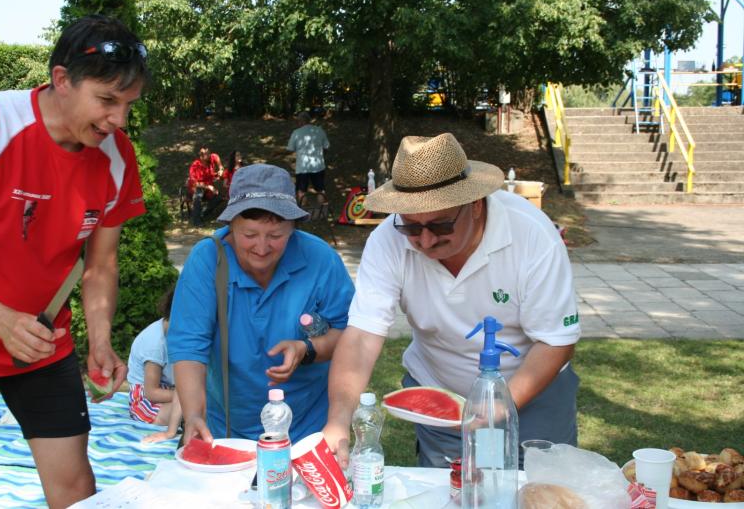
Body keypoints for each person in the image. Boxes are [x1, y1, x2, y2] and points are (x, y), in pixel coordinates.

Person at [0, 15, 148, 508]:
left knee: (77, 491)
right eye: (107, 100)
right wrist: (0, 321)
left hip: (41, 342)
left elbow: (100, 266)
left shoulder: (117, 157)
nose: (119, 120)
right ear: (62, 79)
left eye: (129, 104)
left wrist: (100, 341)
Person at [323, 133, 581, 469]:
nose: (426, 240)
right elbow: (361, 337)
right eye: (411, 227)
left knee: (540, 489)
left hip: (534, 394)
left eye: (440, 225)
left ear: (475, 204)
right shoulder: (387, 239)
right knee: (448, 490)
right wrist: (338, 421)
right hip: (441, 396)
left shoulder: (532, 234)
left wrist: (497, 406)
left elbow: (555, 341)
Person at [168, 164, 354, 444]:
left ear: (293, 227)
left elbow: (351, 337)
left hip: (309, 428)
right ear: (231, 225)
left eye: (276, 236)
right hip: (226, 429)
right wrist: (194, 414)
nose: (262, 247)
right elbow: (188, 344)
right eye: (250, 234)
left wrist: (307, 349)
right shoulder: (207, 261)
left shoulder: (320, 259)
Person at [127, 287, 182, 443]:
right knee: (196, 409)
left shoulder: (182, 335)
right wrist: (188, 394)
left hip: (172, 391)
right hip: (146, 401)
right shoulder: (155, 343)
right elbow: (151, 393)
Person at [287, 111, 330, 205]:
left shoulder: (296, 132)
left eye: (298, 121)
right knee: (320, 189)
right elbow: (326, 147)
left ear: (301, 121)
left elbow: (290, 149)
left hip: (302, 167)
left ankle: (303, 210)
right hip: (318, 166)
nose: (297, 123)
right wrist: (320, 155)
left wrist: (277, 152)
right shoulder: (319, 130)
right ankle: (323, 210)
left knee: (301, 190)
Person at [187, 146, 224, 225]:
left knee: (219, 197)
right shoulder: (195, 166)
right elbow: (195, 183)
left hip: (208, 188)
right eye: (205, 154)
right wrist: (209, 187)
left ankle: (202, 214)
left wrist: (221, 170)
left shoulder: (212, 157)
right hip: (197, 187)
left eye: (208, 153)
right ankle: (196, 221)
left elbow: (219, 164)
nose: (208, 155)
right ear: (201, 156)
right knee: (198, 195)